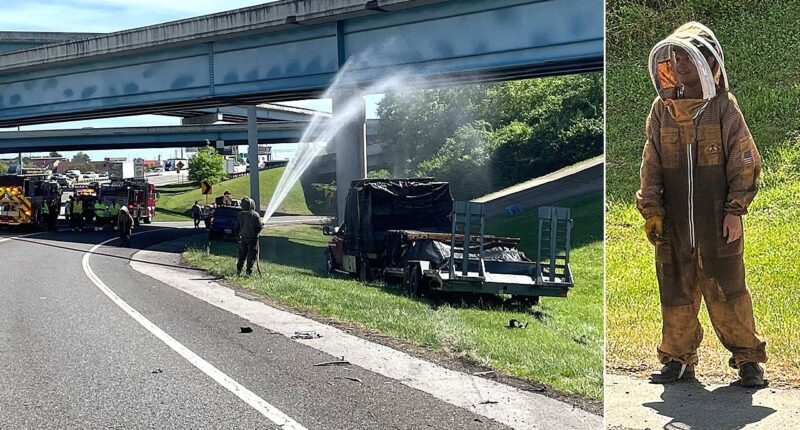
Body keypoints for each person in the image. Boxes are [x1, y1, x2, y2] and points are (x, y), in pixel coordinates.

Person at [637, 22, 766, 387]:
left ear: (709, 62)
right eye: (674, 58)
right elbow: (651, 163)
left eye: (687, 58)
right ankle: (677, 359)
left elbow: (744, 160)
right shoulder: (661, 111)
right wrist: (653, 211)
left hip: (716, 222)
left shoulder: (724, 108)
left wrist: (734, 211)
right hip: (674, 224)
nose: (678, 65)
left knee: (729, 291)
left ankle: (748, 360)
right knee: (676, 292)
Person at [236, 197, 262, 276]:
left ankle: (238, 271)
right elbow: (259, 227)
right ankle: (248, 272)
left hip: (243, 238)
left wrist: (238, 237)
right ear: (251, 205)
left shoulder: (240, 215)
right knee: (251, 255)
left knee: (242, 255)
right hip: (252, 239)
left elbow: (237, 228)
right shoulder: (255, 215)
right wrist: (256, 232)